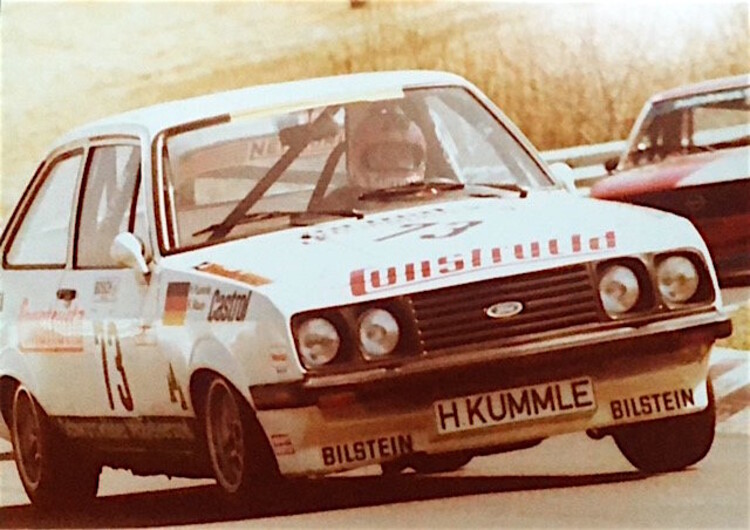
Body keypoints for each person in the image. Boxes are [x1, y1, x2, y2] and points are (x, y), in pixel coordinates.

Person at [319, 104, 427, 209]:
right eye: (384, 154)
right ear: (359, 159)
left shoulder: (434, 200)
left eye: (403, 153)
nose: (394, 161)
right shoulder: (336, 210)